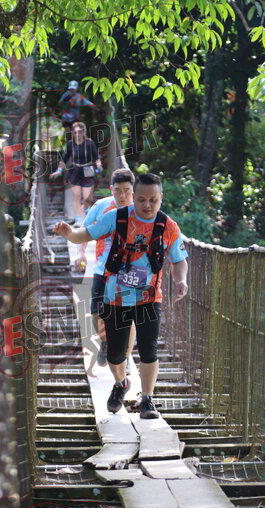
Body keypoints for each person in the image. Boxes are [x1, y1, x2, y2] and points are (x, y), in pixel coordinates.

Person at [53, 172, 188, 419]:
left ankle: (147, 399)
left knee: (149, 350)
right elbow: (86, 234)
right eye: (142, 200)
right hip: (115, 296)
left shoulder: (168, 226)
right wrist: (69, 234)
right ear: (134, 197)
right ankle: (120, 383)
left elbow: (179, 260)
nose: (147, 205)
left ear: (161, 199)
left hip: (149, 297)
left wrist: (181, 280)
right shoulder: (116, 217)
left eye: (153, 200)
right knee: (115, 355)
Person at [82, 168, 136, 367]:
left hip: (132, 270)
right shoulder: (101, 206)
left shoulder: (142, 209)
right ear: (111, 189)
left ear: (133, 190)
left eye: (127, 191)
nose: (122, 195)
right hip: (103, 269)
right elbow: (85, 231)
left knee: (128, 317)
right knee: (97, 312)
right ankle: (105, 342)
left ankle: (125, 357)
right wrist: (80, 253)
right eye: (118, 191)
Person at [49, 122, 102, 226]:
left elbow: (96, 158)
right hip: (75, 170)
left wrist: (99, 166)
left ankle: (86, 212)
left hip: (88, 169)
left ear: (84, 132)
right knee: (77, 197)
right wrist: (59, 171)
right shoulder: (70, 144)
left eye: (80, 132)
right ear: (73, 133)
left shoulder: (89, 143)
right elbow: (64, 159)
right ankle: (78, 220)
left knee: (87, 198)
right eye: (75, 132)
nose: (77, 134)